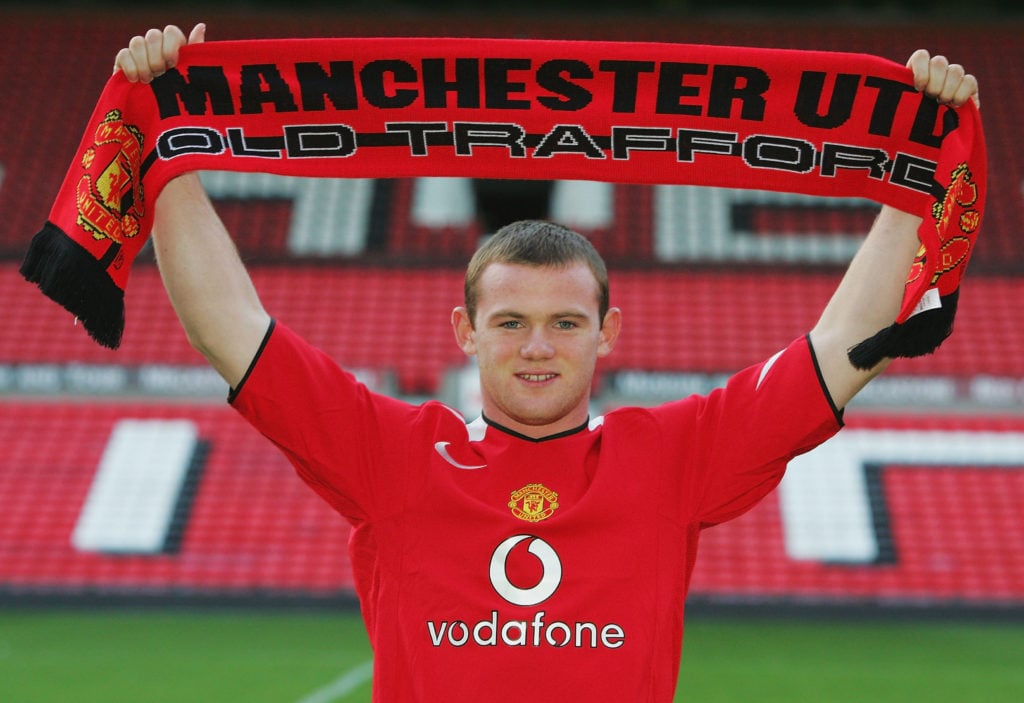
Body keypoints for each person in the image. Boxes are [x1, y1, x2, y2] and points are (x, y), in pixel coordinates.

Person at [115, 24, 978, 702]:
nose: (537, 346)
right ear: (465, 331)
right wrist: (169, 149)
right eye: (512, 322)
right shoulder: (393, 454)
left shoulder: (670, 458)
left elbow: (838, 353)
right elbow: (230, 327)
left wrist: (912, 175)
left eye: (566, 321)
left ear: (607, 334)